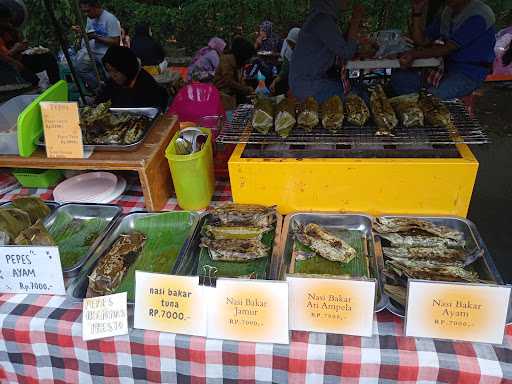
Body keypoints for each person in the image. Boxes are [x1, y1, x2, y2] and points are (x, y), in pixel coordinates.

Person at [391, 0, 496, 100]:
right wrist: (417, 11)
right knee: (401, 78)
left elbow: (447, 48)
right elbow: (422, 40)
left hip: (470, 73)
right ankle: (412, 111)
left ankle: (421, 111)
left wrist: (413, 54)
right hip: (446, 67)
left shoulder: (479, 15)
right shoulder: (447, 12)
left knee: (431, 99)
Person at [289, 0, 364, 102]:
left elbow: (340, 46)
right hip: (307, 87)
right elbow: (346, 53)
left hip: (307, 83)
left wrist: (353, 24)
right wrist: (356, 19)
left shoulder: (320, 18)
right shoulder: (322, 20)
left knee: (356, 86)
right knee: (360, 93)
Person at [96, 46, 168, 111]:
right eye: (109, 71)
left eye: (116, 71)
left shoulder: (146, 86)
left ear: (126, 68)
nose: (112, 75)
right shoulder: (114, 82)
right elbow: (100, 101)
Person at [74, 0, 121, 91]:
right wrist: (82, 32)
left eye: (88, 11)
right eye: (84, 11)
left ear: (96, 7)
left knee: (111, 76)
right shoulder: (90, 18)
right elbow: (89, 33)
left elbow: (116, 42)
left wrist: (96, 37)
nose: (86, 14)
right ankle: (99, 88)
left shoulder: (110, 19)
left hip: (105, 52)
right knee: (79, 66)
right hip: (91, 49)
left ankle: (111, 90)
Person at [0, 17, 60, 86]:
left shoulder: (12, 31)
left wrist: (23, 46)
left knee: (48, 57)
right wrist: (14, 50)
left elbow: (21, 44)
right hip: (13, 67)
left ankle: (55, 84)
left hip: (22, 60)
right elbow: (5, 58)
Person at [213, 37, 256, 110]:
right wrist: (246, 89)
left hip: (234, 95)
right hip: (224, 96)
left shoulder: (238, 62)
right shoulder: (226, 59)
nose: (249, 60)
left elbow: (239, 81)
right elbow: (229, 81)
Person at [270, 27, 300, 95]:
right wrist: (274, 81)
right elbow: (285, 69)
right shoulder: (289, 50)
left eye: (293, 44)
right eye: (289, 43)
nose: (291, 46)